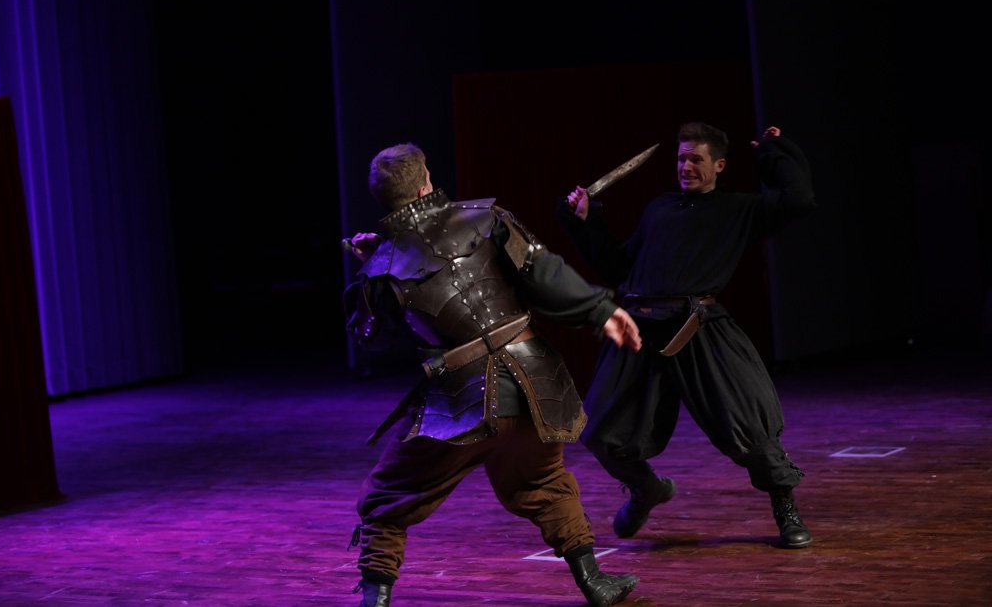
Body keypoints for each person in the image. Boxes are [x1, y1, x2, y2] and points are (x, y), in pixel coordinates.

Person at [343, 142, 645, 607]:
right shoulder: (485, 217)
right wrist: (601, 310)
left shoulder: (384, 266)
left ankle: (374, 600)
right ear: (425, 183)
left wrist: (373, 267)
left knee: (388, 497)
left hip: (458, 402)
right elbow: (543, 273)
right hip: (532, 385)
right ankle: (595, 582)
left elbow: (374, 339)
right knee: (544, 482)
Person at [556, 122, 816, 549]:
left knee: (751, 427)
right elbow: (618, 266)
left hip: (699, 328)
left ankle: (785, 508)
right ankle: (647, 489)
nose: (686, 166)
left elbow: (798, 199)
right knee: (599, 431)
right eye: (681, 158)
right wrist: (586, 222)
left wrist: (774, 153)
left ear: (719, 165)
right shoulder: (660, 209)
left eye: (696, 159)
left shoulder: (738, 209)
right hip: (641, 330)